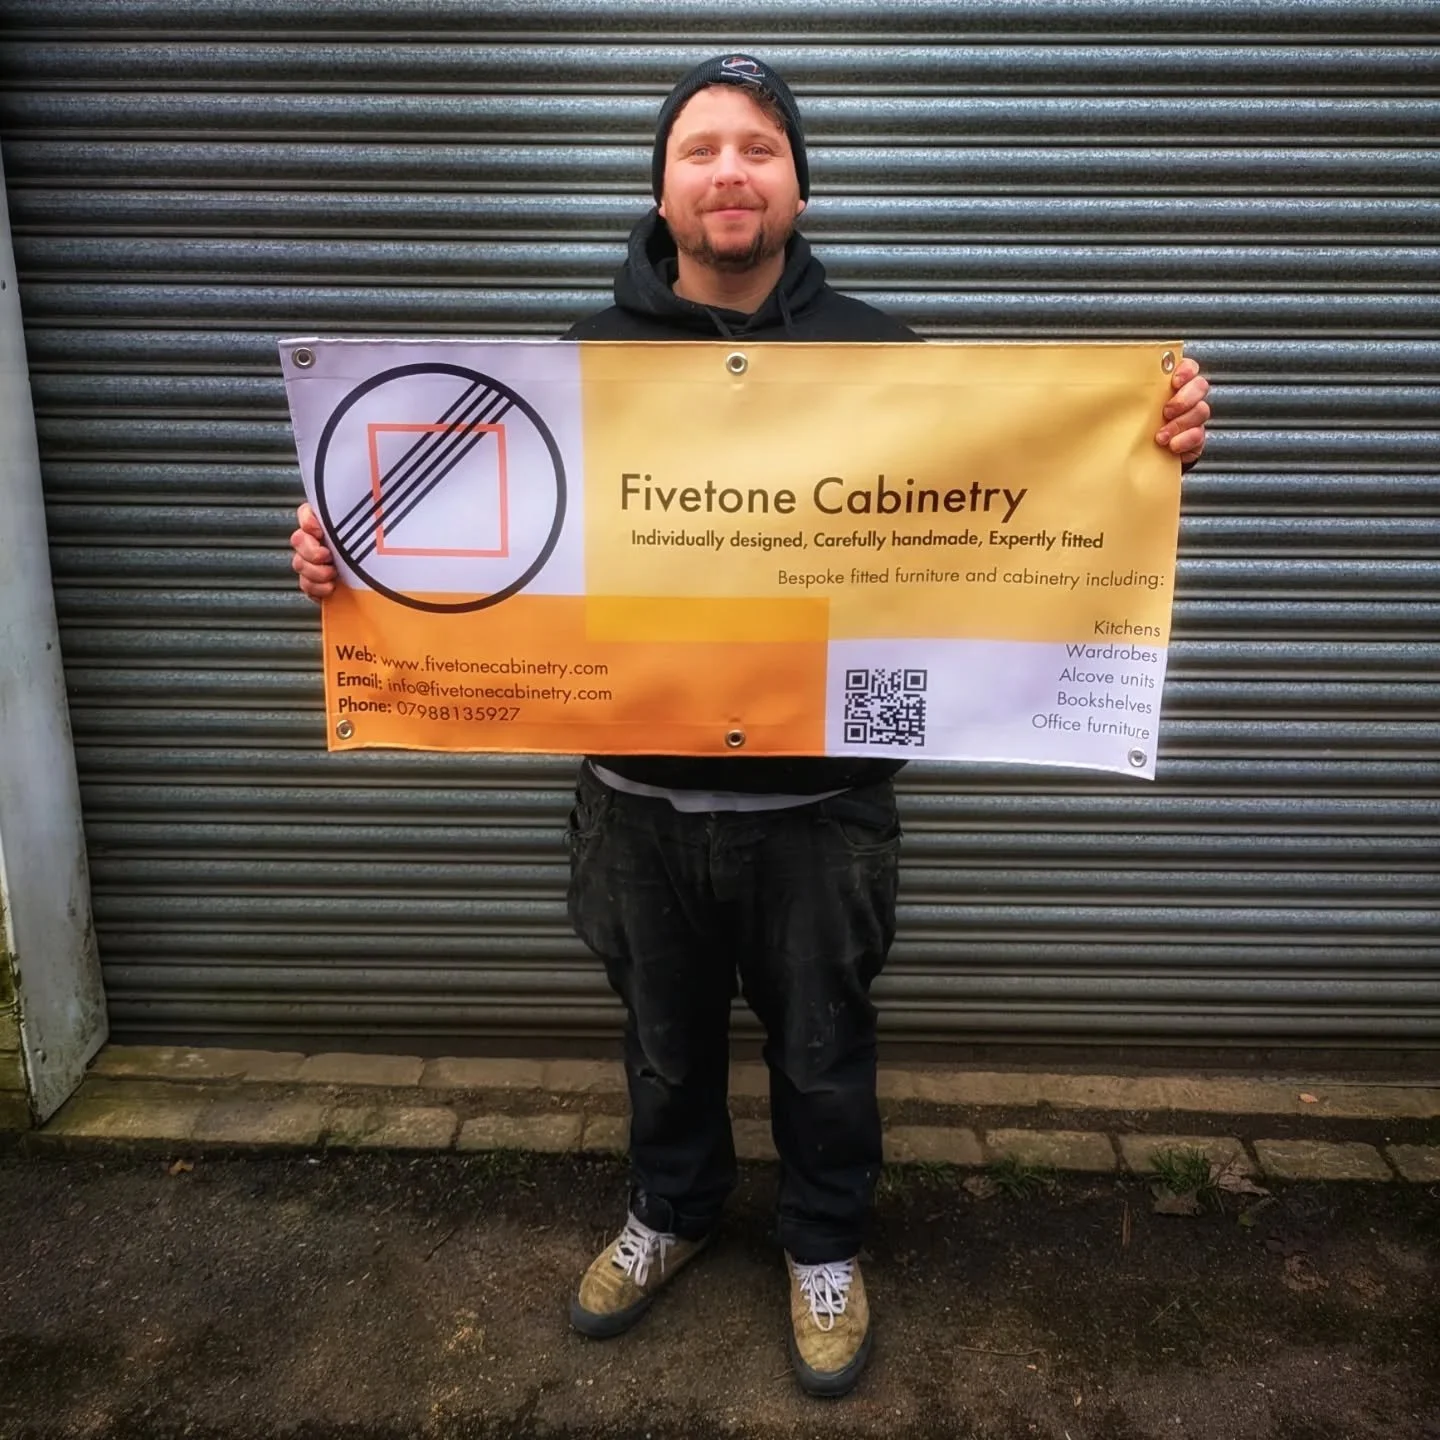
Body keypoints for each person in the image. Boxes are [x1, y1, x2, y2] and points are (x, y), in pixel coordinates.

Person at [290, 53, 1211, 1398]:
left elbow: (1019, 497)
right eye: (702, 149)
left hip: (822, 814)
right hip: (636, 809)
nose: (731, 171)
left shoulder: (888, 360)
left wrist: (1146, 440)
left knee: (827, 1054)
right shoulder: (572, 366)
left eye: (760, 148)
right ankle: (671, 1211)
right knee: (662, 1050)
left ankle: (823, 1243)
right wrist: (346, 555)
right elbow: (457, 530)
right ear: (662, 191)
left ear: (798, 188)